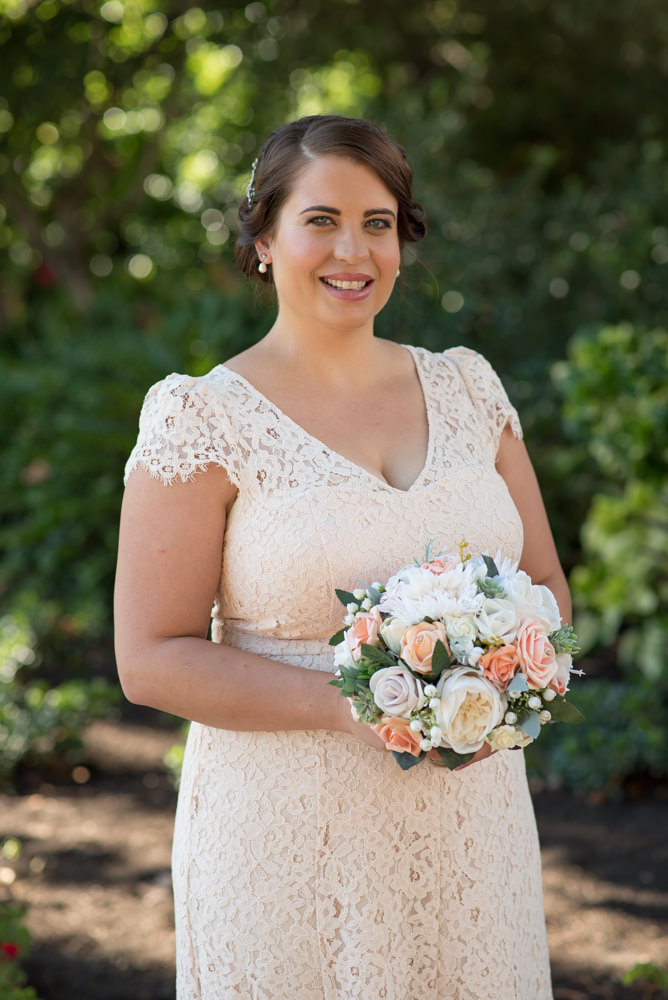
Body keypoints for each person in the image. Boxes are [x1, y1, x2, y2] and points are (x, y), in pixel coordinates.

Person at [115, 114, 569, 999]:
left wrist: (502, 675)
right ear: (262, 240)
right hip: (288, 833)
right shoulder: (201, 418)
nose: (352, 250)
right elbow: (150, 658)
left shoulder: (469, 387)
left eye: (378, 222)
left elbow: (546, 583)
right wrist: (357, 707)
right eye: (320, 220)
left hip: (473, 821)